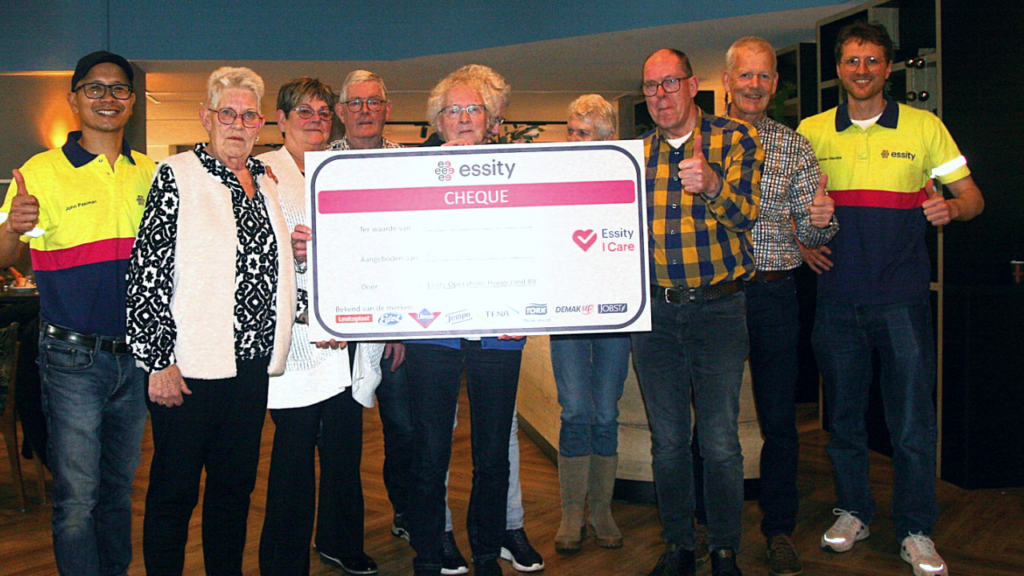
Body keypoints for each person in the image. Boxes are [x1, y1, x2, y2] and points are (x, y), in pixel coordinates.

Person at [797, 22, 983, 576]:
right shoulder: (809, 133)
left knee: (911, 426)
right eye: (852, 61)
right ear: (838, 68)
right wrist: (803, 238)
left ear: (888, 68)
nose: (861, 71)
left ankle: (917, 529)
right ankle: (854, 509)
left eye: (872, 61)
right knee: (846, 422)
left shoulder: (925, 128)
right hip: (836, 302)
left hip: (902, 302)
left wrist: (952, 209)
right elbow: (785, 208)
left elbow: (972, 197)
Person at [126, 66, 297, 576]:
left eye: (248, 115)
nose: (237, 124)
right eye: (228, 113)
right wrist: (158, 362)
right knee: (174, 493)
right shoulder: (177, 175)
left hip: (250, 367)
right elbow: (147, 273)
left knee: (233, 490)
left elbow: (271, 270)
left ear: (261, 122)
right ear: (207, 117)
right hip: (190, 369)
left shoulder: (264, 185)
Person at [0, 50, 155, 576]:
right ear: (74, 98)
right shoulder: (40, 173)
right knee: (76, 499)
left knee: (117, 492)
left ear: (131, 101)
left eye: (118, 89)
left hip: (136, 359)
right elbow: (3, 257)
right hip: (71, 359)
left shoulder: (151, 174)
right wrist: (12, 228)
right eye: (94, 88)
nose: (107, 98)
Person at [631, 48, 762, 576]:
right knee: (667, 442)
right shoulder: (635, 154)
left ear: (692, 85)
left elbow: (745, 215)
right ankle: (680, 543)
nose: (659, 96)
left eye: (669, 83)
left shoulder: (735, 138)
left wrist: (710, 184)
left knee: (720, 442)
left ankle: (724, 546)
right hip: (657, 316)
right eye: (650, 87)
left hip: (719, 311)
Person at [716, 36, 839, 576]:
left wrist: (817, 217)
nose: (756, 85)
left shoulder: (793, 146)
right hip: (716, 295)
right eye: (746, 75)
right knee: (713, 421)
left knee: (779, 421)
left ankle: (779, 529)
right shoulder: (699, 143)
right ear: (727, 81)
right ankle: (712, 529)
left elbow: (823, 226)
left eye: (765, 76)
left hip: (772, 292)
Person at [403, 64, 529, 576]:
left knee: (492, 453)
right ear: (437, 119)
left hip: (500, 334)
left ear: (491, 117)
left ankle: (485, 553)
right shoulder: (410, 173)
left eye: (472, 108)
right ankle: (429, 553)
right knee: (430, 450)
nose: (462, 118)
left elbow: (535, 243)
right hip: (432, 333)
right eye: (451, 110)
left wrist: (530, 302)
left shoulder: (518, 171)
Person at [257, 77, 385, 576]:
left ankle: (339, 540)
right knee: (292, 455)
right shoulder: (261, 172)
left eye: (321, 110)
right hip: (295, 338)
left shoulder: (342, 168)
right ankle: (283, 560)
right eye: (302, 110)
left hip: (347, 334)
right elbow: (246, 254)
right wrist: (287, 249)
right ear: (282, 120)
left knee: (343, 451)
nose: (314, 118)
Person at [326, 71, 417, 564]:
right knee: (342, 437)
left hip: (399, 326)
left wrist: (398, 325)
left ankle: (406, 512)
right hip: (338, 329)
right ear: (341, 111)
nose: (364, 109)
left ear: (387, 109)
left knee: (403, 428)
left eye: (374, 101)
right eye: (355, 102)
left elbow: (414, 246)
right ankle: (340, 535)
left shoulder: (409, 164)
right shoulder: (319, 165)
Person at [550, 94, 631, 554]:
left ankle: (600, 511)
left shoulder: (625, 176)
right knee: (575, 409)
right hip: (565, 312)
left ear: (606, 138)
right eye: (571, 129)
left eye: (583, 132)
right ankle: (570, 513)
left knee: (606, 411)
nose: (573, 138)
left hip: (617, 313)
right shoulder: (552, 179)